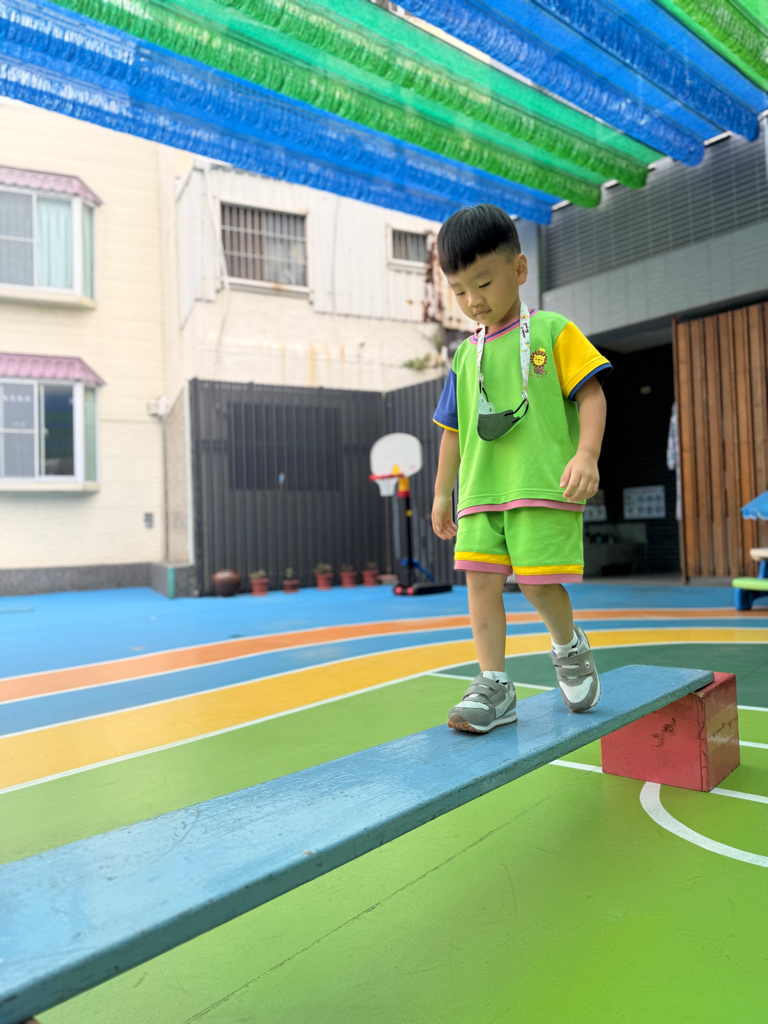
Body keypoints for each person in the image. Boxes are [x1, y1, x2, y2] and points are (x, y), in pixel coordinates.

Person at [431, 204, 611, 733]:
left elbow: (592, 394)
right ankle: (494, 684)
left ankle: (567, 644)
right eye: (459, 290)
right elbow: (453, 430)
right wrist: (443, 493)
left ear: (519, 268)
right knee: (480, 584)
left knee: (537, 584)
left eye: (483, 282)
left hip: (540, 486)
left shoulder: (553, 330)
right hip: (480, 493)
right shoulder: (465, 356)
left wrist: (586, 455)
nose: (473, 300)